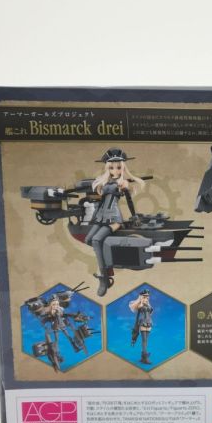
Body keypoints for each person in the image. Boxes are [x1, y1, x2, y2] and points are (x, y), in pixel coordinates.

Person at [85, 148, 145, 296]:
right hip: (101, 216)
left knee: (97, 240)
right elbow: (100, 200)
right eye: (111, 167)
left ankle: (104, 277)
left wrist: (134, 215)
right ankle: (108, 260)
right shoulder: (105, 181)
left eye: (118, 167)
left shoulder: (123, 183)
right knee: (88, 240)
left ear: (123, 167)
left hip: (114, 218)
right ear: (107, 168)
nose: (115, 170)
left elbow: (129, 201)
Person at [129, 289, 153, 365]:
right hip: (143, 323)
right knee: (144, 340)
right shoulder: (140, 305)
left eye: (147, 297)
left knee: (146, 340)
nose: (146, 298)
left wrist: (148, 305)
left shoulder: (148, 305)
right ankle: (144, 356)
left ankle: (143, 356)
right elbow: (138, 314)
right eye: (145, 297)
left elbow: (150, 312)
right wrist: (142, 302)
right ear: (141, 297)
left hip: (149, 323)